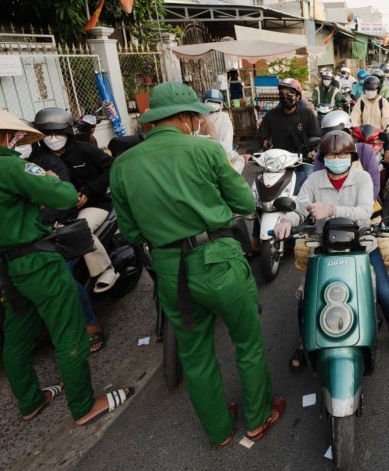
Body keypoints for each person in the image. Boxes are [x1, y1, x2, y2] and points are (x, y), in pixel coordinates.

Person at [0, 106, 132, 426]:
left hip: (4, 268)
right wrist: (51, 180)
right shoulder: (13, 167)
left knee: (17, 338)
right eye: (12, 135)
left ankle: (31, 401)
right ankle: (83, 407)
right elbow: (66, 196)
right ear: (4, 135)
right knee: (69, 334)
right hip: (39, 263)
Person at [110, 82, 284, 448]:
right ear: (187, 117)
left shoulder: (123, 165)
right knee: (247, 342)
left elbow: (129, 230)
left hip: (171, 271)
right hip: (218, 260)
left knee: (195, 353)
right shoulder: (205, 151)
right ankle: (257, 418)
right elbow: (243, 202)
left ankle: (219, 431)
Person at [274, 130, 389, 370]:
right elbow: (300, 208)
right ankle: (303, 341)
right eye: (330, 153)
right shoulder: (313, 180)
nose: (335, 157)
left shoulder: (362, 178)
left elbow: (363, 212)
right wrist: (287, 220)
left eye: (341, 154)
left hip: (362, 245)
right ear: (323, 156)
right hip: (323, 248)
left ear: (351, 156)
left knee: (385, 294)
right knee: (307, 300)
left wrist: (331, 210)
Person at [19, 140, 105, 354]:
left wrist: (42, 219)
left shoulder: (48, 161)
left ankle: (90, 321)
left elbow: (62, 197)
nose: (16, 145)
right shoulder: (3, 167)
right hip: (22, 237)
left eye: (22, 140)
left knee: (63, 275)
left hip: (56, 227)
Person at [31, 108, 119, 294]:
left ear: (68, 131)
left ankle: (106, 269)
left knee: (77, 228)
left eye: (58, 133)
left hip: (94, 204)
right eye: (47, 134)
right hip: (58, 211)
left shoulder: (84, 150)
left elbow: (112, 167)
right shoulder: (38, 160)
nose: (53, 138)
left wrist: (90, 190)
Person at [246, 78, 320, 172]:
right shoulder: (271, 115)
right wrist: (249, 153)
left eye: (289, 94)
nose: (285, 97)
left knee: (308, 180)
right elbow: (259, 137)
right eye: (282, 94)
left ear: (297, 97)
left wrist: (313, 150)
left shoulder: (307, 114)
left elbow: (316, 136)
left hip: (302, 160)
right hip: (278, 162)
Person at [314, 110, 381, 197]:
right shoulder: (321, 155)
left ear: (349, 133)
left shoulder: (364, 151)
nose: (334, 143)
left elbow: (374, 185)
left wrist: (362, 207)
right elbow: (317, 186)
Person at [202, 89, 245, 172]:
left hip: (220, 157)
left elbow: (227, 145)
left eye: (216, 103)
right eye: (210, 102)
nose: (213, 105)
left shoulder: (224, 118)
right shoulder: (200, 117)